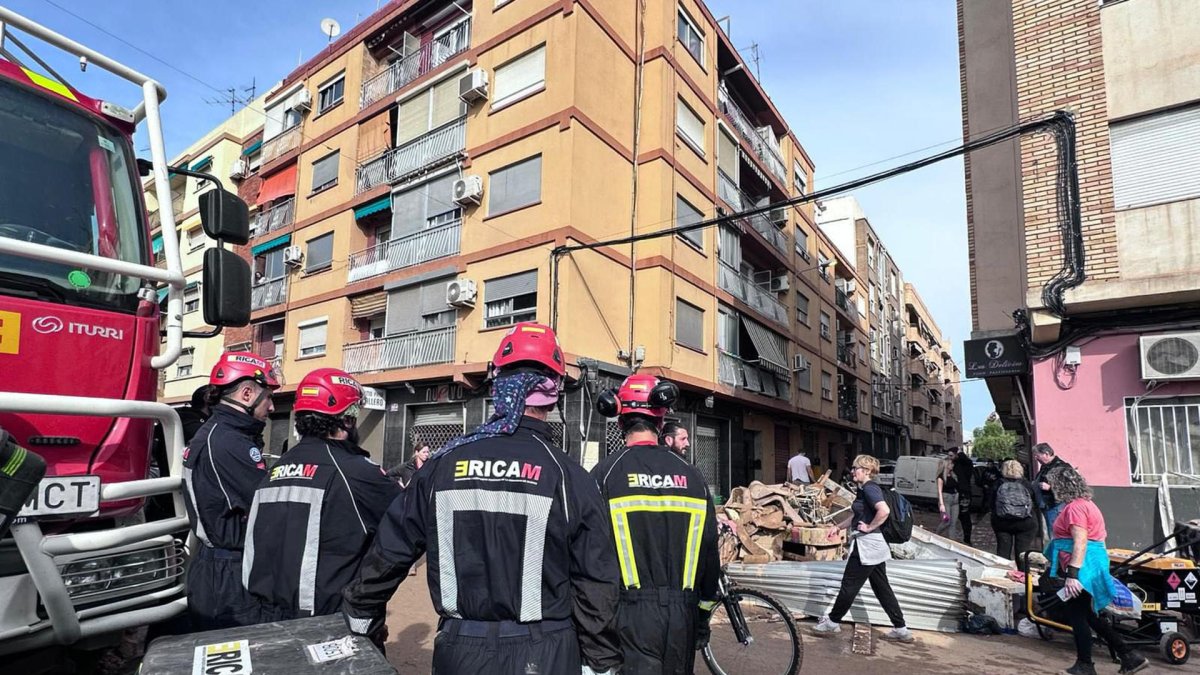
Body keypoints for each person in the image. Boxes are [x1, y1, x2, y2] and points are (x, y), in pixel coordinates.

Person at [342, 322, 622, 675]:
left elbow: (388, 552)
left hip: (460, 652)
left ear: (497, 382)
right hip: (546, 653)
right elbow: (596, 581)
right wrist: (600, 663)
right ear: (554, 392)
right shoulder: (568, 475)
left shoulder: (441, 465)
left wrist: (362, 620)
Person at [241, 368, 400, 622]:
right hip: (328, 618)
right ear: (347, 420)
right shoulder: (355, 471)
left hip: (265, 615)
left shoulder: (273, 471)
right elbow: (410, 525)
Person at [591, 375, 721, 674]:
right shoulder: (693, 476)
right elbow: (709, 552)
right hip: (683, 615)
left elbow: (590, 554)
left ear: (620, 420)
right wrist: (702, 617)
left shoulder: (605, 474)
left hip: (627, 615)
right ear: (661, 421)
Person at [182, 351, 279, 630]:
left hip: (219, 567)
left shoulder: (219, 433)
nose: (272, 407)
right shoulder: (230, 442)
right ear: (247, 394)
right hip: (229, 574)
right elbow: (270, 506)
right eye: (269, 397)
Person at [1044, 466, 1148, 675]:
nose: (1051, 488)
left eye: (1053, 484)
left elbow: (1080, 541)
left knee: (1077, 615)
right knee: (1087, 615)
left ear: (1060, 486)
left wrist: (1073, 575)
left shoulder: (1075, 508)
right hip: (1090, 564)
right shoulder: (1086, 504)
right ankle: (1129, 655)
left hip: (1084, 566)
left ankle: (1085, 665)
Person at [812, 454, 913, 644]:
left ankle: (832, 622)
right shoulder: (864, 490)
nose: (852, 471)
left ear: (866, 471)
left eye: (855, 468)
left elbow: (884, 511)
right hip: (873, 547)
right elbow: (858, 515)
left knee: (849, 586)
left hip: (867, 546)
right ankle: (901, 629)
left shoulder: (870, 488)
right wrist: (838, 527)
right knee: (882, 588)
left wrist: (869, 527)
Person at [990, 460, 1040, 561]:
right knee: (1022, 552)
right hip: (1025, 521)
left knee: (1003, 550)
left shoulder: (998, 484)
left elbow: (991, 503)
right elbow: (1035, 502)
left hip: (1002, 522)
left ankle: (1003, 568)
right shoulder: (1026, 484)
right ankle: (1022, 570)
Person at [1034, 442, 1071, 533]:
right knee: (1050, 532)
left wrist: (1051, 487)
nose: (1036, 458)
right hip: (1046, 505)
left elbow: (1070, 486)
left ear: (1046, 454)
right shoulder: (1045, 466)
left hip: (1055, 505)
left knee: (1055, 532)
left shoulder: (1062, 466)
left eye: (1037, 455)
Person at [935, 448, 963, 541]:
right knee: (947, 521)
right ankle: (936, 535)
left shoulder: (953, 475)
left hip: (955, 499)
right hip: (946, 498)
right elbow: (939, 491)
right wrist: (941, 504)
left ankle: (952, 541)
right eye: (951, 464)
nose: (952, 465)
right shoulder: (941, 477)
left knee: (953, 523)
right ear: (946, 465)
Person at [951, 448, 975, 545]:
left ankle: (966, 539)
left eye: (952, 455)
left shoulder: (964, 465)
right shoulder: (955, 464)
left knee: (964, 516)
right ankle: (961, 538)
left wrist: (960, 453)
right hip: (956, 493)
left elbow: (967, 461)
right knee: (955, 516)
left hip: (964, 493)